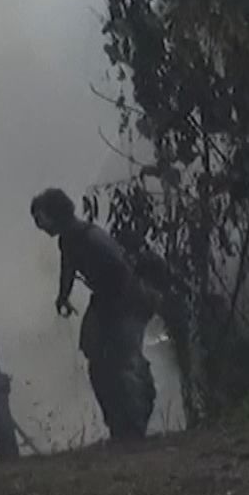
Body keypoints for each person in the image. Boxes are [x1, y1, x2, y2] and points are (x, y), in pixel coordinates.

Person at [30, 188, 156, 441]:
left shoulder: (90, 238)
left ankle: (134, 428)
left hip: (127, 300)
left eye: (40, 218)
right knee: (97, 360)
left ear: (54, 214)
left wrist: (111, 310)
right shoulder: (69, 239)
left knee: (125, 362)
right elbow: (68, 267)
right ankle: (119, 427)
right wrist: (63, 297)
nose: (38, 225)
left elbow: (121, 270)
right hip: (109, 301)